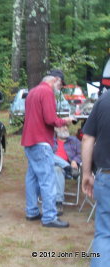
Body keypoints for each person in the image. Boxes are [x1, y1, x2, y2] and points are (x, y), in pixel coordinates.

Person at [21, 69, 73, 228]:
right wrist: (65, 121)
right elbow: (50, 119)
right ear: (55, 79)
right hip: (41, 142)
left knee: (32, 178)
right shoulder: (47, 92)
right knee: (48, 179)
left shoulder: (33, 92)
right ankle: (50, 217)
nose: (60, 87)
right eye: (61, 84)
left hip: (29, 141)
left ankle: (32, 211)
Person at [82, 90, 110, 266]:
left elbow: (87, 138)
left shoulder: (104, 100)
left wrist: (86, 173)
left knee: (105, 233)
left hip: (106, 175)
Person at [52, 125, 81, 215]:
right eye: (62, 127)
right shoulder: (51, 141)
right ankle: (67, 167)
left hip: (67, 170)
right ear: (55, 129)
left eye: (66, 127)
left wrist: (75, 161)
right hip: (52, 168)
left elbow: (82, 153)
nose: (65, 128)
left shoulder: (74, 140)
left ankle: (58, 202)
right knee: (49, 156)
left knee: (58, 169)